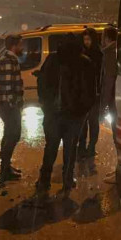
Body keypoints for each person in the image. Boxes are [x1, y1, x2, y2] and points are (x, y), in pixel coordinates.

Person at [36, 34, 96, 191]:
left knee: (51, 148)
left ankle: (44, 180)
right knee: (70, 149)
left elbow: (41, 83)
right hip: (74, 115)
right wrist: (83, 111)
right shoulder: (84, 62)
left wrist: (45, 105)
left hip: (54, 114)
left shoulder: (52, 60)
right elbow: (90, 92)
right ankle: (67, 180)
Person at [0, 35, 25, 183]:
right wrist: (14, 103)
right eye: (21, 45)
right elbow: (8, 86)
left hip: (7, 104)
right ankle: (4, 169)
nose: (23, 48)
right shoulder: (8, 60)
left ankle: (6, 166)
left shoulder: (8, 58)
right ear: (14, 45)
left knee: (9, 134)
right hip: (8, 105)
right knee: (13, 134)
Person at [77, 28, 103, 158]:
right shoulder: (81, 54)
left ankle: (91, 147)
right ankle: (81, 146)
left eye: (88, 39)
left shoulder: (98, 54)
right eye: (84, 39)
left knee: (93, 122)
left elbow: (100, 76)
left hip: (94, 94)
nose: (86, 42)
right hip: (83, 94)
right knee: (82, 123)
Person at [99, 27, 118, 184]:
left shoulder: (110, 54)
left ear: (106, 38)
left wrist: (103, 105)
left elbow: (108, 81)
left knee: (117, 136)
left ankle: (118, 171)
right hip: (115, 99)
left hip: (114, 101)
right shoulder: (114, 51)